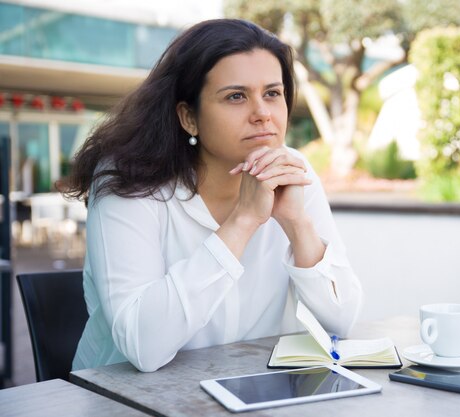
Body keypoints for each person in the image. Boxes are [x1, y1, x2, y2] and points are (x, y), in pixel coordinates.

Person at [64, 19, 362, 372]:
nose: (262, 114)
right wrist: (243, 222)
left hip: (251, 391)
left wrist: (298, 225)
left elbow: (341, 324)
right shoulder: (128, 182)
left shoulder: (294, 172)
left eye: (272, 93)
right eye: (236, 96)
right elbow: (143, 348)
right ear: (189, 117)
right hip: (122, 398)